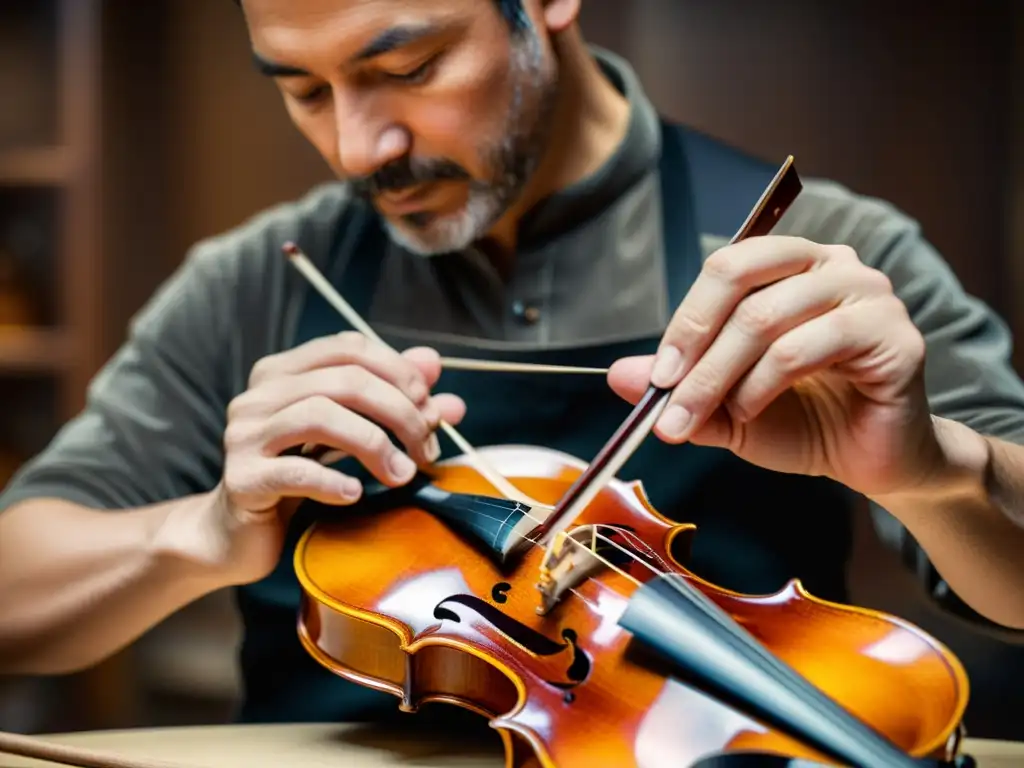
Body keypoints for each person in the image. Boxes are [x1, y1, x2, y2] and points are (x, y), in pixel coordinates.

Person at [3, 0, 1024, 727]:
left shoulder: (821, 254)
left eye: (404, 69)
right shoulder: (253, 284)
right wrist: (201, 530)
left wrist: (941, 469)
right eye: (304, 90)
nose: (362, 147)